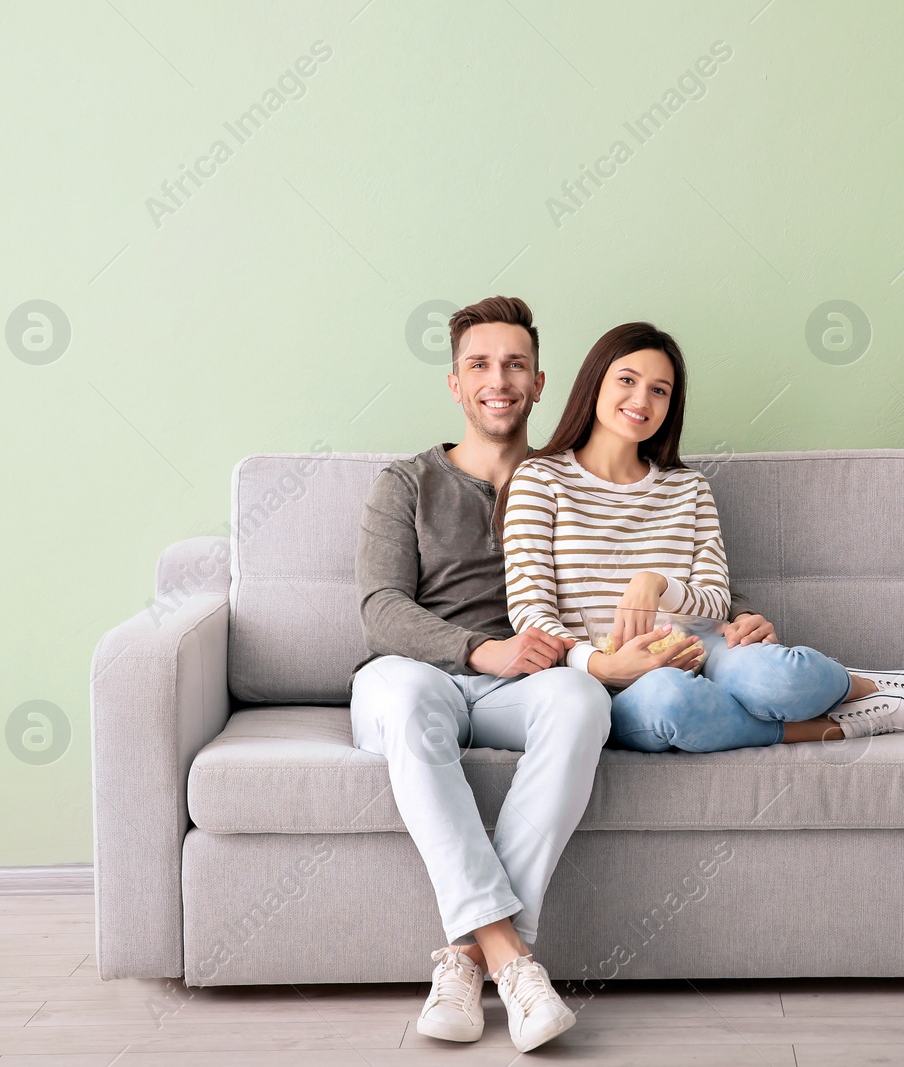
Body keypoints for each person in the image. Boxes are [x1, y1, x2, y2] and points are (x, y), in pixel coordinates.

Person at [498, 321, 904, 753]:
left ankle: (864, 687)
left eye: (659, 390)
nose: (641, 399)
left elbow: (716, 600)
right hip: (606, 682)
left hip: (702, 649)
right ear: (594, 382)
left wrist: (655, 582)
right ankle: (832, 726)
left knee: (780, 677)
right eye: (627, 380)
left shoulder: (688, 487)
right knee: (671, 703)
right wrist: (600, 665)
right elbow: (530, 609)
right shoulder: (540, 480)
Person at [348, 296, 592, 1053]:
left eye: (515, 364)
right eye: (480, 365)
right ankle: (512, 958)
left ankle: (466, 958)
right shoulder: (408, 482)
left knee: (583, 700)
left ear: (540, 381)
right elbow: (380, 606)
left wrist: (736, 611)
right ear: (455, 384)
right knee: (417, 690)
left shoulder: (571, 481)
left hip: (522, 687)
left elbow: (648, 550)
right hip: (413, 678)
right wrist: (480, 650)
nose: (499, 379)